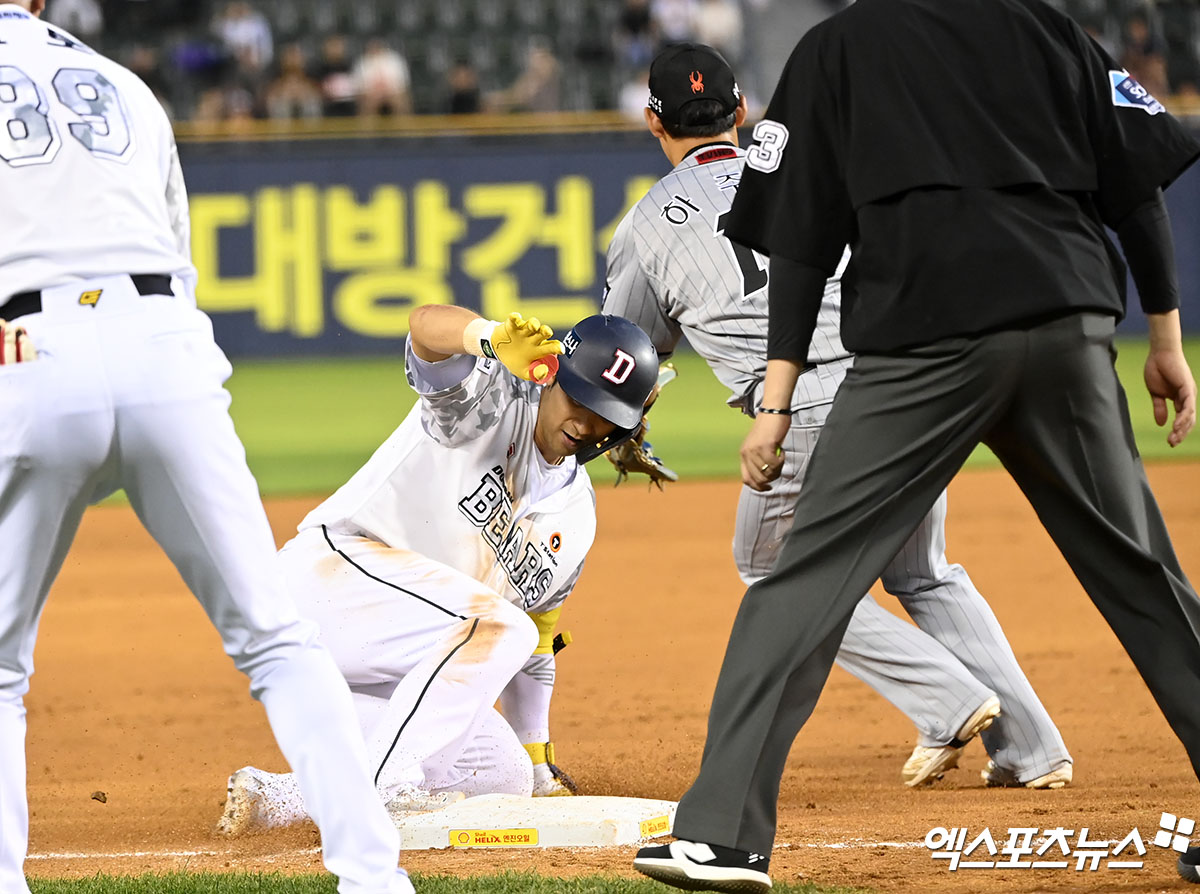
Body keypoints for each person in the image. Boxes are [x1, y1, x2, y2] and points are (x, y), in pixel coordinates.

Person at [633, 2, 1200, 891]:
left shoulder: (838, 48)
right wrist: (1165, 338)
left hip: (923, 344)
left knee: (804, 581)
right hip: (1066, 314)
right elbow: (1134, 179)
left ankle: (722, 836)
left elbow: (800, 237)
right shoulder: (1045, 27)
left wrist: (776, 399)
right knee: (1144, 572)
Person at [0, 4, 412, 893]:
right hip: (165, 350)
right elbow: (179, 259)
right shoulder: (124, 85)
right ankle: (376, 877)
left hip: (26, 351)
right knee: (275, 639)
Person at [603, 42, 1071, 794]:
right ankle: (1031, 748)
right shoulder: (819, 169)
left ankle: (947, 701)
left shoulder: (648, 226)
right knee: (925, 573)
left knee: (774, 576)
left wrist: (622, 430)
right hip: (903, 386)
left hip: (799, 409)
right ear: (742, 111)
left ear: (653, 123)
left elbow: (625, 353)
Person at [216, 309, 659, 832]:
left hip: (388, 662)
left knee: (502, 775)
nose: (587, 423)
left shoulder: (577, 519)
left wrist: (539, 766)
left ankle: (281, 799)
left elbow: (536, 648)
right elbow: (426, 329)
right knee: (497, 627)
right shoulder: (489, 402)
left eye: (605, 414)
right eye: (578, 399)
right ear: (552, 376)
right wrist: (489, 339)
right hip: (327, 583)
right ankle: (383, 791)